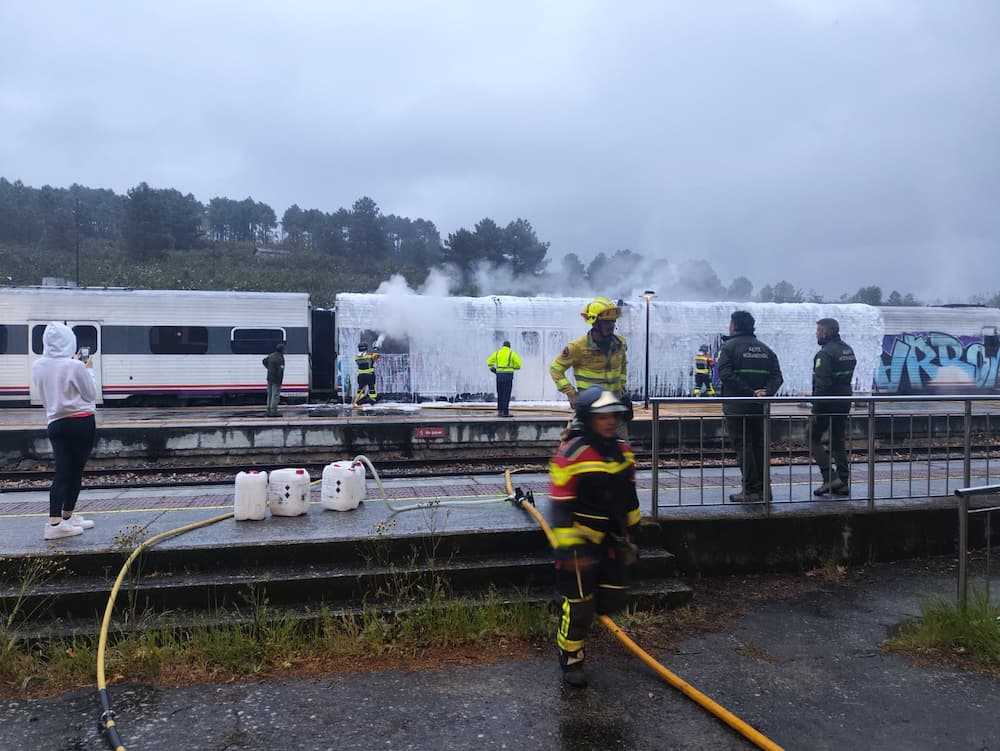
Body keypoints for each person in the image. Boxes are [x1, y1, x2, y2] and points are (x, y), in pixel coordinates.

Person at [548, 386, 641, 687]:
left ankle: (578, 602)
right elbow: (560, 507)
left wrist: (632, 537)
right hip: (578, 541)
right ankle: (571, 657)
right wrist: (569, 550)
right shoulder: (571, 453)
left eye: (614, 415)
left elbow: (630, 498)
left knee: (614, 594)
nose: (611, 421)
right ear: (588, 419)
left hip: (612, 539)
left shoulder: (623, 451)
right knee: (579, 606)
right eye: (603, 416)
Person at [31, 322, 99, 540]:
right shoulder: (75, 366)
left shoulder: (38, 365)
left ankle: (65, 520)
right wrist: (89, 371)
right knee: (74, 472)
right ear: (70, 341)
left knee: (63, 471)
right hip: (80, 421)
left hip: (55, 423)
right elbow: (90, 394)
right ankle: (57, 523)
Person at [717, 311, 783, 502]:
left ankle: (751, 490)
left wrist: (748, 392)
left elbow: (726, 375)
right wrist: (765, 392)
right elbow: (777, 377)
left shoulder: (728, 347)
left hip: (737, 407)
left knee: (743, 447)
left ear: (734, 326)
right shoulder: (766, 349)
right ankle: (765, 490)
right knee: (759, 447)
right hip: (760, 407)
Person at [550, 296, 631, 437]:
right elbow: (556, 369)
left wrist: (622, 387)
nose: (610, 325)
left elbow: (623, 366)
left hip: (614, 407)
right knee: (573, 445)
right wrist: (571, 393)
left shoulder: (620, 344)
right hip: (589, 408)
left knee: (621, 449)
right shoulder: (577, 347)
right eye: (606, 322)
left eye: (612, 321)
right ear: (594, 323)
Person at [810, 318, 857, 497]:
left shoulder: (825, 354)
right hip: (844, 401)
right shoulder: (848, 349)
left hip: (827, 403)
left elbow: (822, 385)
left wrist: (815, 409)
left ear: (824, 332)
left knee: (811, 438)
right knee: (838, 440)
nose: (816, 334)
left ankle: (829, 477)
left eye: (818, 331)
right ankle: (843, 483)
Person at [486, 340, 522, 417]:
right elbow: (519, 365)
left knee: (500, 393)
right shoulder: (512, 353)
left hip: (499, 376)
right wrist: (512, 367)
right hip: (508, 376)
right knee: (506, 394)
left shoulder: (497, 353)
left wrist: (493, 369)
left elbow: (489, 362)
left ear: (503, 346)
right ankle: (505, 412)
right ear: (509, 346)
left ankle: (499, 411)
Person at [262, 342, 285, 417]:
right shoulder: (280, 358)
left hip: (269, 378)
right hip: (276, 379)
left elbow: (264, 361)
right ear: (282, 350)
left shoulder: (271, 355)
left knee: (270, 394)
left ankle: (268, 410)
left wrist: (269, 368)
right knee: (275, 395)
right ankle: (273, 411)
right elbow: (280, 370)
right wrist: (280, 381)